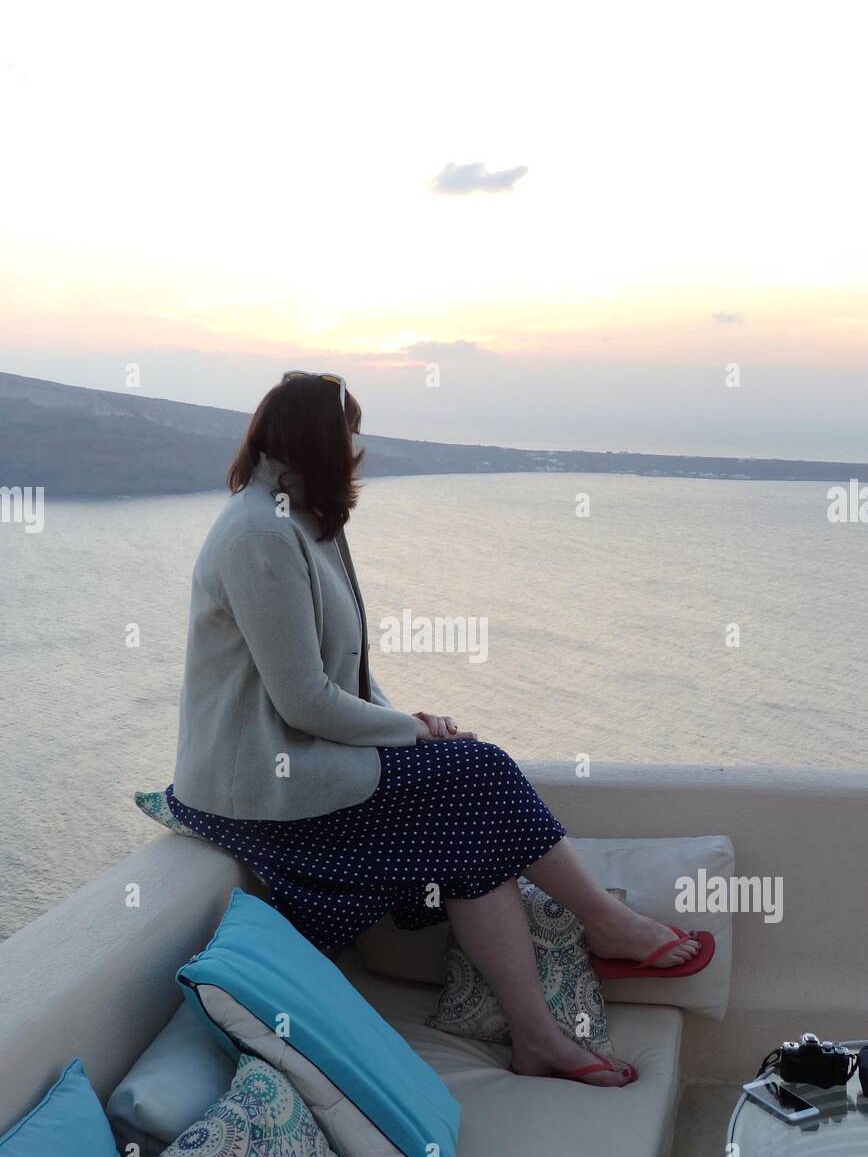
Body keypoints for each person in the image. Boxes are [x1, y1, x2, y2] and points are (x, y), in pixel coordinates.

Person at [168, 372, 713, 1087]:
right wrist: (409, 733)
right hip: (258, 790)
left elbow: (345, 673)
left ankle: (536, 1038)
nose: (358, 448)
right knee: (479, 771)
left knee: (469, 822)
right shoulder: (258, 536)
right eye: (349, 434)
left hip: (302, 766)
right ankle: (606, 927)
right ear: (318, 444)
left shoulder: (301, 521)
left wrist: (410, 719)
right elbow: (303, 701)